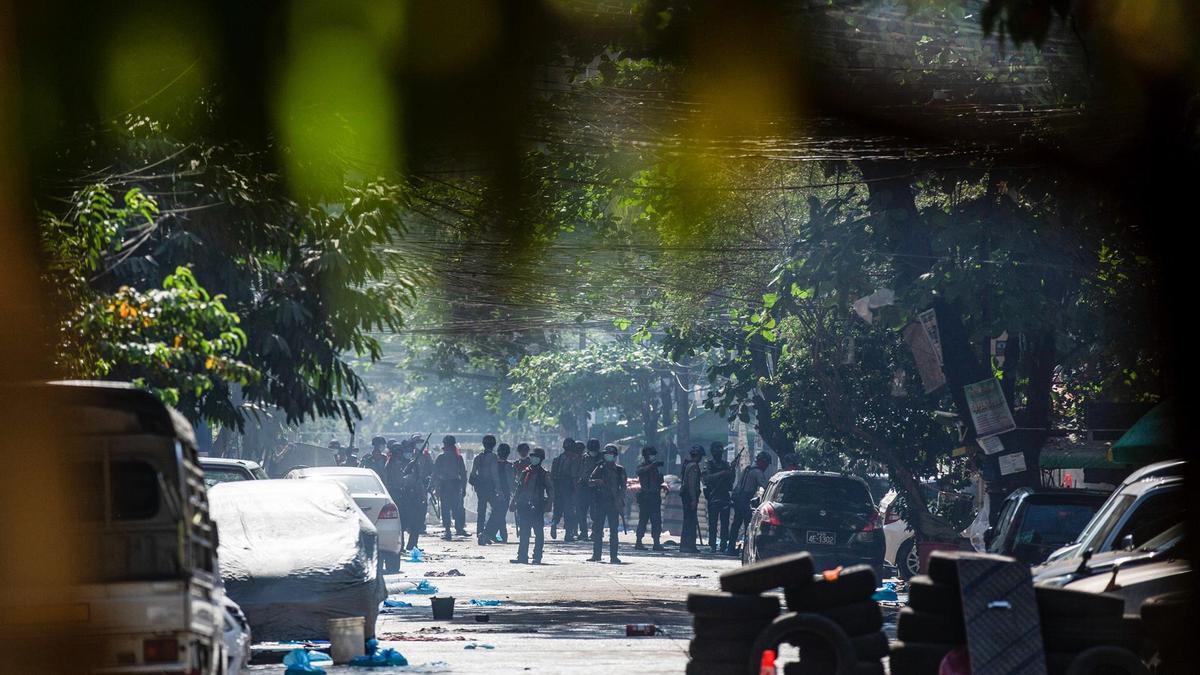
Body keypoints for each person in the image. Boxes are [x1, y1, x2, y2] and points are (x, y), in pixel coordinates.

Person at [510, 447, 553, 564]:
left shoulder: (544, 474)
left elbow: (550, 490)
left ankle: (537, 556)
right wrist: (513, 502)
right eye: (532, 456)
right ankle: (522, 556)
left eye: (536, 457)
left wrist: (549, 504)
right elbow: (519, 489)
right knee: (524, 532)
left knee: (538, 533)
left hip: (537, 506)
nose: (534, 459)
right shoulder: (525, 472)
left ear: (541, 459)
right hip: (524, 506)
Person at [587, 444, 627, 563]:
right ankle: (596, 555)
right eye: (607, 455)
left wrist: (619, 501)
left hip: (613, 503)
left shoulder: (620, 470)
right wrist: (598, 481)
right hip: (600, 502)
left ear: (614, 456)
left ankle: (613, 556)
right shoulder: (599, 468)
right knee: (598, 530)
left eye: (611, 455)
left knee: (614, 531)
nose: (609, 457)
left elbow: (623, 487)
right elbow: (590, 482)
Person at [727, 451, 772, 555]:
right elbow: (765, 486)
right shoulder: (757, 472)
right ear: (762, 462)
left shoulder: (748, 469)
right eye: (766, 464)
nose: (766, 467)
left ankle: (730, 548)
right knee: (749, 525)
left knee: (736, 524)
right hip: (744, 499)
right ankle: (747, 549)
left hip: (738, 498)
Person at [701, 442, 735, 553]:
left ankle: (723, 545)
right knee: (713, 523)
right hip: (713, 496)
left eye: (720, 451)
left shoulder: (726, 464)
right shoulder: (709, 464)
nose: (718, 454)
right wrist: (722, 473)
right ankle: (712, 545)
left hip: (724, 496)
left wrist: (732, 470)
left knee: (725, 524)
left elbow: (731, 482)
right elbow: (707, 479)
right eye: (717, 451)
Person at [469, 434, 502, 545]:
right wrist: (499, 489)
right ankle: (487, 533)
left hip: (480, 488)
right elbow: (494, 474)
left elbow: (472, 474)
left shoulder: (478, 457)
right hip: (490, 487)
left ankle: (480, 533)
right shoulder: (493, 457)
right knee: (497, 509)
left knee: (481, 511)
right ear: (494, 445)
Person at [433, 435, 468, 539]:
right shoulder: (458, 457)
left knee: (446, 509)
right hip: (455, 485)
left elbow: (435, 474)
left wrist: (436, 486)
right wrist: (464, 488)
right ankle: (458, 528)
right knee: (456, 508)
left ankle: (449, 531)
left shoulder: (441, 457)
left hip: (447, 485)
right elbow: (463, 475)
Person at [634, 445, 665, 551]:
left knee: (656, 521)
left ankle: (656, 542)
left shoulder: (655, 469)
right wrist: (652, 465)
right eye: (651, 455)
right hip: (645, 497)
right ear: (646, 456)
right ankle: (638, 542)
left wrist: (662, 485)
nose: (653, 457)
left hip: (655, 497)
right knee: (643, 520)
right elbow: (639, 472)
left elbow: (658, 481)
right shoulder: (642, 466)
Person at [489, 443, 515, 543]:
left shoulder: (494, 465)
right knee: (499, 514)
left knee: (499, 514)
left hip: (495, 492)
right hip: (502, 493)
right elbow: (511, 482)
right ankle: (490, 533)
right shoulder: (509, 466)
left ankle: (501, 535)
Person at [680, 444, 703, 553]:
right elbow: (692, 484)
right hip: (689, 497)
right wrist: (694, 499)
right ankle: (689, 545)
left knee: (688, 521)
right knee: (690, 522)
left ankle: (686, 545)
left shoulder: (688, 465)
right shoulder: (694, 466)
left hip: (687, 496)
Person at [577, 439, 603, 540]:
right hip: (584, 486)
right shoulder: (583, 458)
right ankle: (583, 532)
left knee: (595, 512)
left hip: (597, 488)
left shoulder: (602, 458)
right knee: (582, 511)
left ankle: (595, 532)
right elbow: (578, 471)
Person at [549, 437, 574, 540]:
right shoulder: (573, 459)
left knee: (558, 509)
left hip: (557, 487)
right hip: (568, 487)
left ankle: (554, 523)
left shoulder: (557, 459)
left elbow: (552, 475)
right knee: (569, 511)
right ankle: (568, 534)